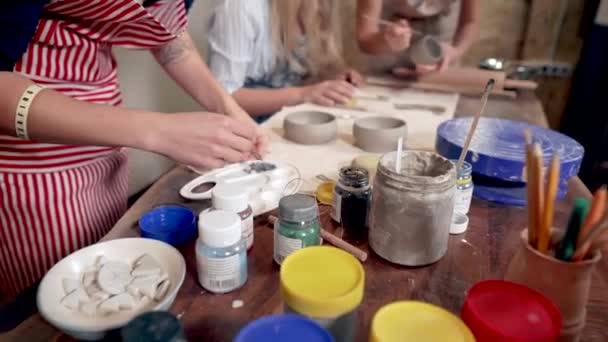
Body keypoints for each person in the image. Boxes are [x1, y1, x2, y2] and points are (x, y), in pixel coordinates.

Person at [0, 0, 266, 299]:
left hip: (107, 137)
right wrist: (159, 132)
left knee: (115, 276)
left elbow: (169, 38)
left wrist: (230, 110)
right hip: (32, 166)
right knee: (66, 296)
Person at [207, 0, 363, 121]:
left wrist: (327, 82)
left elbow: (293, 80)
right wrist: (302, 94)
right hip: (243, 131)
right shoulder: (242, 8)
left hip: (288, 121)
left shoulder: (315, 7)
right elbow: (223, 97)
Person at [356, 0, 479, 74]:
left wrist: (455, 51)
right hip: (389, 50)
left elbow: (470, 22)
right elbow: (365, 39)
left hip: (441, 50)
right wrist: (386, 41)